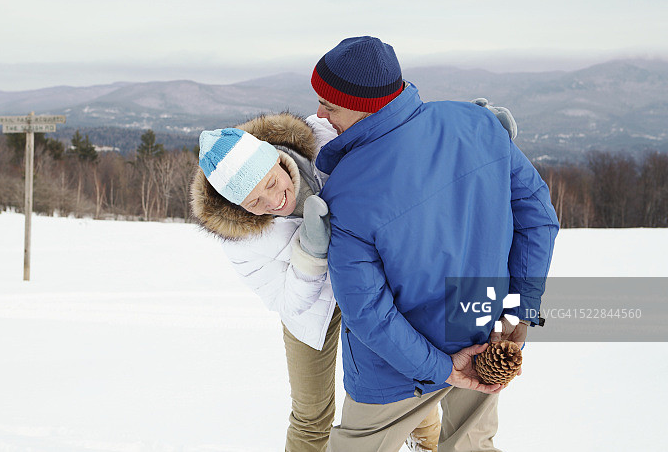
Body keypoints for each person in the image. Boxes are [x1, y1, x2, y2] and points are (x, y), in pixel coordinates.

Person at [190, 103, 518, 451]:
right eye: (254, 202)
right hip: (312, 313)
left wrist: (471, 129)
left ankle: (427, 443)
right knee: (310, 414)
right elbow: (286, 301)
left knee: (408, 385)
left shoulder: (322, 139)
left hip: (375, 284)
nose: (273, 201)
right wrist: (310, 254)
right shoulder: (240, 241)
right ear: (237, 207)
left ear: (275, 157)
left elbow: (392, 131)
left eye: (271, 183)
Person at [308, 36, 559, 452]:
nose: (319, 114)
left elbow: (368, 312)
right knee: (472, 445)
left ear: (367, 105)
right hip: (482, 325)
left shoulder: (347, 193)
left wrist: (440, 368)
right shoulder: (477, 124)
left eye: (330, 105)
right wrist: (519, 309)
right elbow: (538, 219)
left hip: (391, 371)